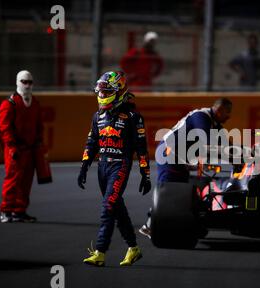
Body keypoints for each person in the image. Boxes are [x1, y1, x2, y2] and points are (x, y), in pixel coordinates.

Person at [78, 71, 151, 267]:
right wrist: (84, 166)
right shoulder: (97, 116)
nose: (101, 95)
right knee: (117, 209)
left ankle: (100, 252)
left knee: (107, 208)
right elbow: (91, 142)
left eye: (106, 91)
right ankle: (134, 249)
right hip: (102, 167)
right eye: (100, 91)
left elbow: (141, 148)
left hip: (120, 166)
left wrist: (146, 173)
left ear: (118, 91)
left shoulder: (133, 117)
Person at [139, 98, 233, 238]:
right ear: (219, 110)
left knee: (181, 193)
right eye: (227, 112)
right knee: (168, 189)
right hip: (169, 153)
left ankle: (173, 224)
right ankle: (150, 225)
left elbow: (227, 145)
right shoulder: (201, 116)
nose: (229, 116)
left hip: (180, 158)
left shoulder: (214, 124)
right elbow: (208, 142)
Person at [0, 70, 43, 223]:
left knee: (26, 181)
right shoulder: (9, 103)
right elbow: (5, 128)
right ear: (18, 82)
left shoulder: (35, 102)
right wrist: (11, 147)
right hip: (16, 149)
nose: (27, 85)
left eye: (30, 82)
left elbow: (39, 126)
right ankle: (6, 210)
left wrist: (39, 144)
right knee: (12, 179)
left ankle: (19, 210)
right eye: (24, 82)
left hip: (30, 149)